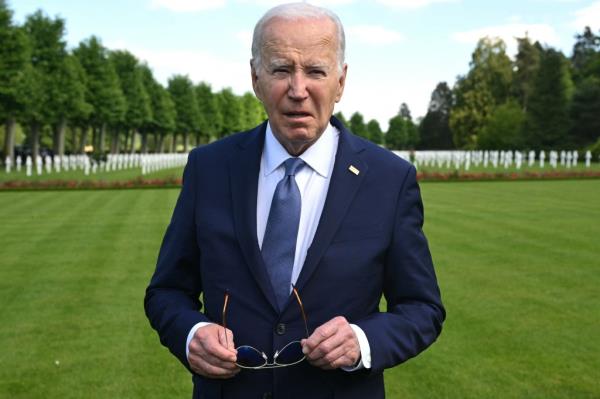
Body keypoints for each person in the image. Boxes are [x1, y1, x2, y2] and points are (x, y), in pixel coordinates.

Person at [145, 3, 445, 398]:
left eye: (316, 71)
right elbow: (166, 291)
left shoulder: (390, 179)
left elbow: (422, 308)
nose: (298, 90)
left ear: (341, 81)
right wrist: (191, 333)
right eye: (281, 69)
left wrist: (362, 340)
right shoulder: (210, 168)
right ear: (255, 77)